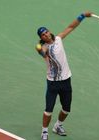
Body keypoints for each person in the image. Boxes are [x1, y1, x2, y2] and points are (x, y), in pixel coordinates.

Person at [36, 11, 91, 140]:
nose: (46, 35)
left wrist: (82, 16)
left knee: (66, 109)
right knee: (48, 110)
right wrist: (39, 50)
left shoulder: (59, 39)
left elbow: (71, 27)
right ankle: (44, 132)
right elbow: (42, 53)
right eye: (43, 35)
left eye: (47, 32)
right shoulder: (44, 48)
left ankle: (58, 126)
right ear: (42, 38)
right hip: (53, 83)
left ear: (50, 32)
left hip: (66, 81)